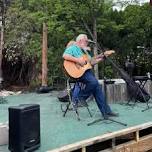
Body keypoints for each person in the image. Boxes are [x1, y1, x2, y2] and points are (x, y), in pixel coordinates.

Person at [63, 34, 118, 119]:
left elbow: (91, 62)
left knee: (97, 88)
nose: (87, 43)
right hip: (77, 72)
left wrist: (102, 57)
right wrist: (78, 60)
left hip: (85, 72)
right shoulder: (73, 47)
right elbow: (65, 56)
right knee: (94, 82)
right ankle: (79, 98)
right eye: (86, 41)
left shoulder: (85, 52)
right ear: (80, 40)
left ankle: (106, 112)